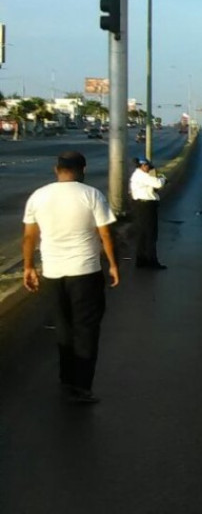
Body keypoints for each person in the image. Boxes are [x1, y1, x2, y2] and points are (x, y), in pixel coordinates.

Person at [22, 151, 120, 404]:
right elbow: (106, 235)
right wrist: (113, 265)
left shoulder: (38, 196)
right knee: (86, 328)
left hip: (53, 272)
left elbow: (29, 237)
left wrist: (29, 267)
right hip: (85, 272)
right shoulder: (92, 195)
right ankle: (82, 387)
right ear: (83, 170)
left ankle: (66, 379)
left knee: (63, 327)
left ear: (57, 169)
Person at [129, 156, 167, 269]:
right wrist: (163, 179)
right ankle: (152, 262)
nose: (148, 169)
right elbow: (158, 184)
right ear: (142, 166)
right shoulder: (142, 176)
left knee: (142, 234)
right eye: (147, 166)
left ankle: (141, 261)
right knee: (151, 234)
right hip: (146, 207)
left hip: (141, 206)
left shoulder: (138, 175)